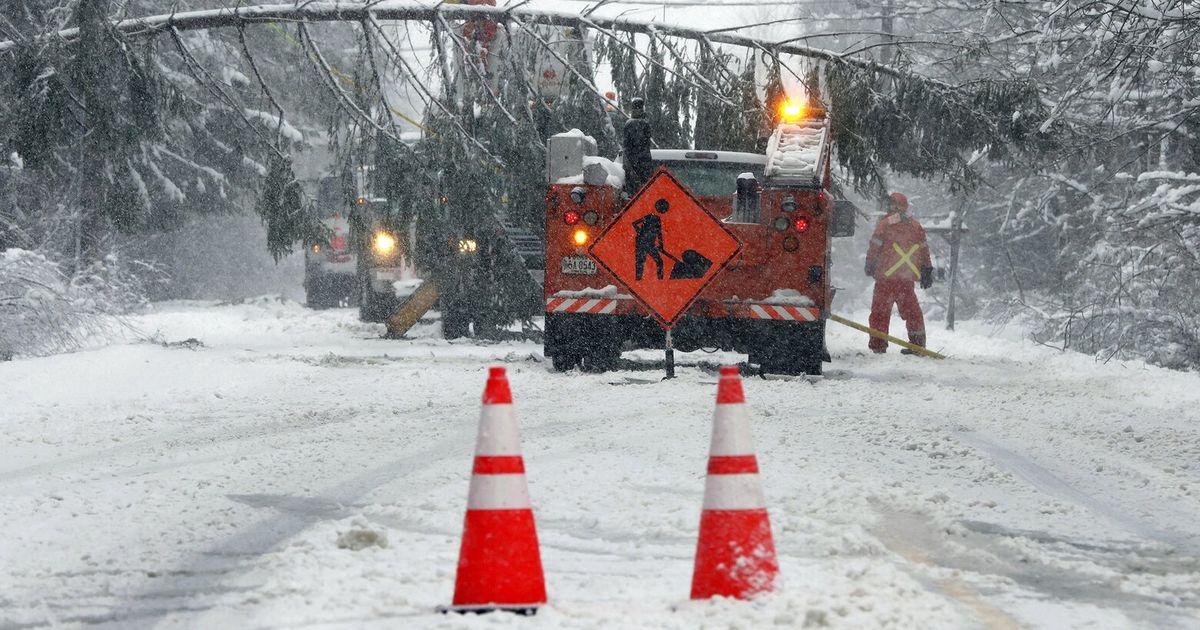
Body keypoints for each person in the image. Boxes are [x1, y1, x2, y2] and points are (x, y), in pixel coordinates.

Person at [865, 192, 934, 354]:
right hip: (905, 279)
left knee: (880, 313)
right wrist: (927, 269)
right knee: (912, 312)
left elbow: (874, 246)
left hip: (885, 279)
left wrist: (870, 263)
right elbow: (924, 249)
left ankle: (878, 345)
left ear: (893, 206)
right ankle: (917, 345)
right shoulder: (915, 226)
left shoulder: (885, 224)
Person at [622, 97, 654, 195]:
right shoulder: (645, 124)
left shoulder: (631, 124)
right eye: (635, 108)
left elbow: (628, 145)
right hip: (643, 165)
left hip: (635, 165)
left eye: (637, 108)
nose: (635, 111)